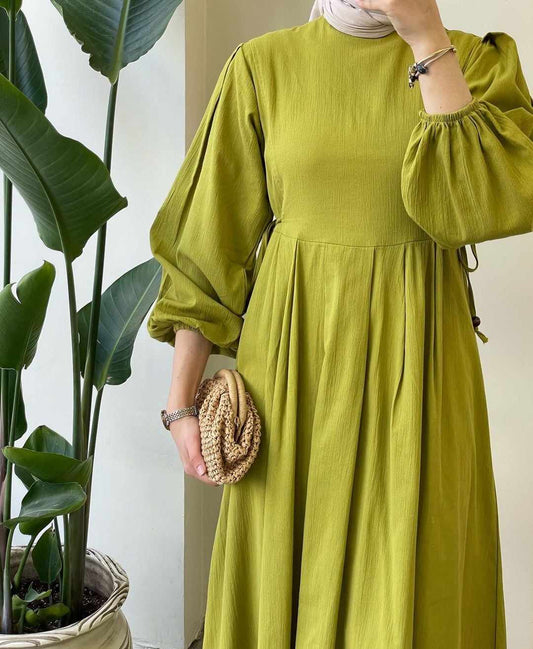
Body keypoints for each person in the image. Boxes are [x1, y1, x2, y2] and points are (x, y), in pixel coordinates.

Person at [146, 0, 533, 646]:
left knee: (418, 576)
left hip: (422, 374)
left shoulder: (472, 61)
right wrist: (180, 404)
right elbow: (208, 246)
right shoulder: (263, 67)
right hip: (292, 374)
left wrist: (425, 37)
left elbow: (480, 205)